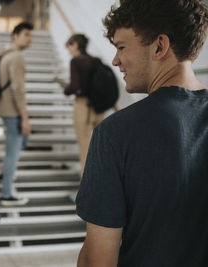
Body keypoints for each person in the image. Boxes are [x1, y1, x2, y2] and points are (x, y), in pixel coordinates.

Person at [76, 0, 208, 266]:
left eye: (122, 47)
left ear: (159, 46)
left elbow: (98, 260)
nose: (115, 60)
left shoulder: (115, 133)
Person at [0, 22, 33, 206]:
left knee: (17, 145)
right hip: (13, 111)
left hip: (5, 108)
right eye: (26, 34)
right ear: (15, 36)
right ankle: (7, 193)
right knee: (13, 152)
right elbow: (18, 89)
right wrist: (25, 118)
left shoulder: (6, 54)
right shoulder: (17, 56)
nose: (30, 38)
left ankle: (5, 175)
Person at [63, 34, 105, 177]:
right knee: (98, 147)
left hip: (83, 107)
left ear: (75, 44)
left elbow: (74, 87)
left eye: (69, 46)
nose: (69, 50)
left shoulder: (76, 61)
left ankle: (87, 187)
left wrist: (65, 89)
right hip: (98, 108)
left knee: (85, 148)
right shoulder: (95, 60)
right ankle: (100, 182)